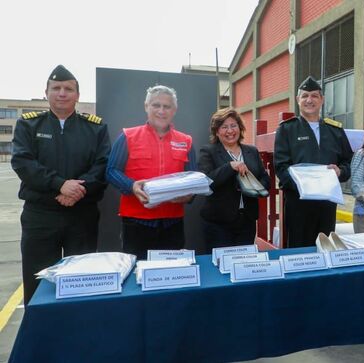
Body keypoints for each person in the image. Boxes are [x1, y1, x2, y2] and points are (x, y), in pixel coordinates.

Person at [11, 65, 111, 304]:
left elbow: (103, 165)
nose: (62, 93)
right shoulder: (29, 125)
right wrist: (59, 185)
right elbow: (23, 162)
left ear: (78, 95)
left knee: (81, 279)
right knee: (38, 282)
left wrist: (76, 190)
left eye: (68, 88)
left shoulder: (95, 127)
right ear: (46, 93)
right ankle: (39, 334)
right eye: (56, 88)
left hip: (82, 215)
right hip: (41, 216)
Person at [106, 85, 196, 260]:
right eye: (156, 105)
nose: (161, 111)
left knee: (171, 276)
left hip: (173, 223)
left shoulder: (186, 141)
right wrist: (131, 186)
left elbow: (193, 178)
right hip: (136, 223)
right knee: (136, 275)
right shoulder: (128, 136)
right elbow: (111, 171)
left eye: (167, 106)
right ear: (146, 107)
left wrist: (190, 195)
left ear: (174, 110)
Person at [274, 76, 353, 248]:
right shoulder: (287, 129)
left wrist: (340, 172)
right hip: (298, 204)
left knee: (326, 249)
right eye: (305, 96)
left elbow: (348, 162)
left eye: (314, 96)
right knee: (299, 252)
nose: (309, 100)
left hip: (327, 205)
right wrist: (305, 187)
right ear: (297, 100)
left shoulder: (335, 131)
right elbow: (281, 167)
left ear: (322, 100)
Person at [198, 108, 270, 248]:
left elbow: (265, 179)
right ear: (217, 131)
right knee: (220, 266)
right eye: (224, 127)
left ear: (240, 128)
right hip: (218, 223)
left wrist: (256, 187)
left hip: (247, 221)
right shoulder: (208, 151)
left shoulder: (252, 151)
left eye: (233, 125)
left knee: (244, 264)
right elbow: (206, 182)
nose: (230, 131)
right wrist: (230, 166)